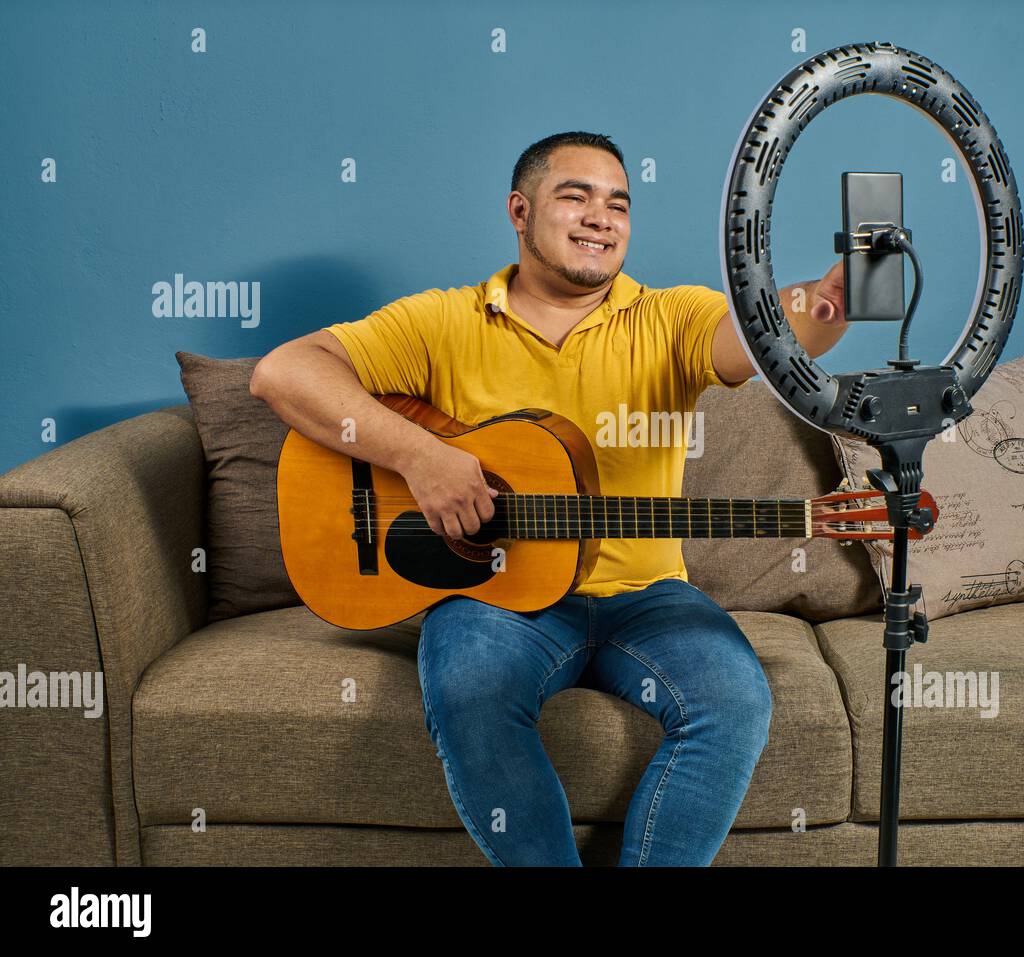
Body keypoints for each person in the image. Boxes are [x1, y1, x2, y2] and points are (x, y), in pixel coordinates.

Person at [250, 131, 848, 866]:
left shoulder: (672, 317)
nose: (602, 216)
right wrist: (422, 455)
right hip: (499, 600)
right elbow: (283, 372)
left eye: (619, 204)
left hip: (648, 596)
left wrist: (824, 303)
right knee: (469, 688)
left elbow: (760, 337)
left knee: (738, 700)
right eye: (576, 195)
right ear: (519, 211)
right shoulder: (442, 321)